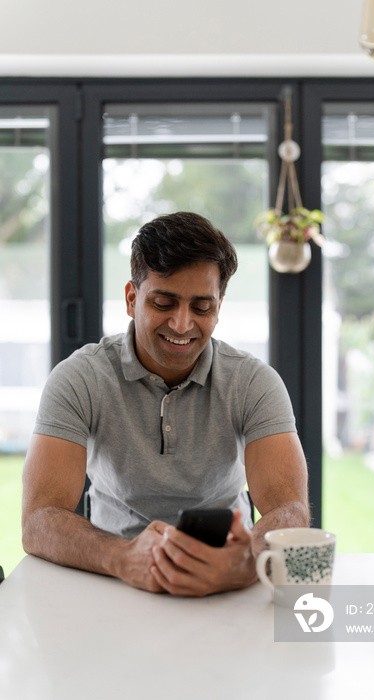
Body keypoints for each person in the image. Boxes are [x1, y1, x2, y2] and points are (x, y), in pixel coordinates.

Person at [22, 211, 309, 597]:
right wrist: (123, 558)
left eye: (202, 307)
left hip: (227, 572)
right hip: (110, 573)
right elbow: (39, 519)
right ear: (131, 298)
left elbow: (289, 508)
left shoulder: (253, 382)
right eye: (163, 302)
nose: (181, 324)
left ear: (220, 306)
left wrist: (246, 563)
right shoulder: (79, 378)